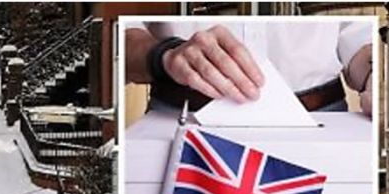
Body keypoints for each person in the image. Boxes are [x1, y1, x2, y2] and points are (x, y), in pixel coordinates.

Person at [125, 20, 373, 116]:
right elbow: (115, 35)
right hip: (181, 119)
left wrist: (375, 75)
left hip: (323, 121)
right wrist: (164, 55)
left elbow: (356, 34)